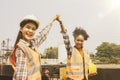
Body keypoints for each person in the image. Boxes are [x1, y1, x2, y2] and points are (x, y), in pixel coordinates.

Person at [9, 14, 57, 80]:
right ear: (21, 28)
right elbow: (21, 75)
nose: (30, 31)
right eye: (28, 27)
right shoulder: (20, 49)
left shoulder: (33, 44)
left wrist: (52, 20)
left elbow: (43, 34)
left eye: (33, 29)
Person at [56, 15, 90, 80]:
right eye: (78, 40)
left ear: (84, 41)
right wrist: (61, 23)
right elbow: (65, 36)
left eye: (81, 41)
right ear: (74, 40)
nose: (79, 42)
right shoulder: (70, 50)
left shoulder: (85, 53)